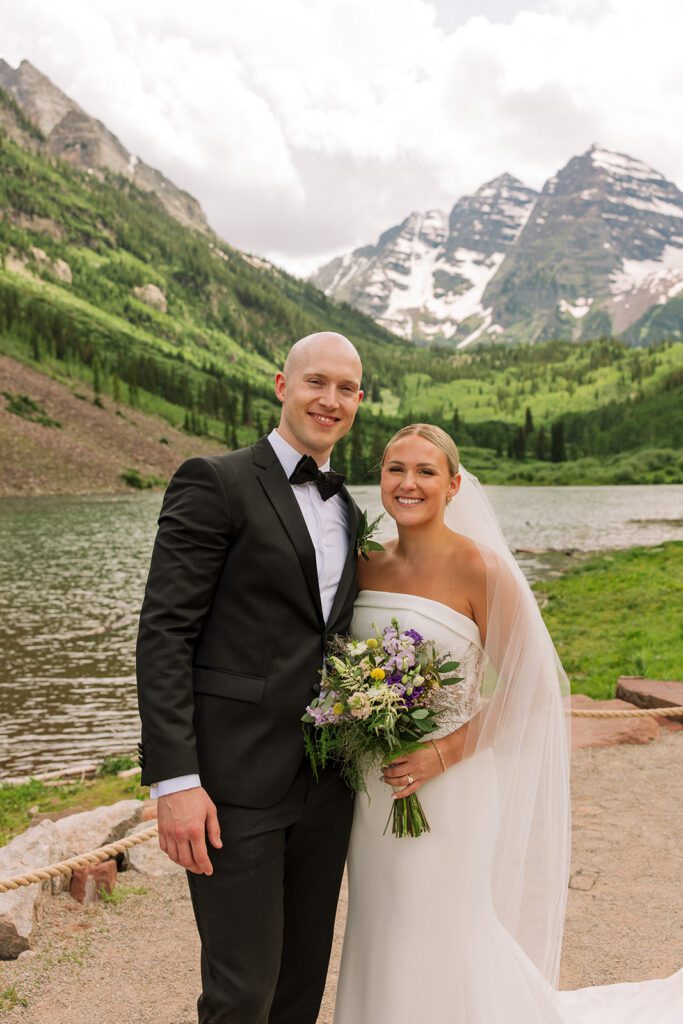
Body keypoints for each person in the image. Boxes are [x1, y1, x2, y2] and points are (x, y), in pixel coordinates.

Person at [334, 423, 683, 1024]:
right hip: (373, 783)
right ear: (380, 479)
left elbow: (531, 689)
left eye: (425, 472)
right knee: (379, 916)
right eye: (395, 469)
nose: (408, 483)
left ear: (454, 484)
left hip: (450, 786)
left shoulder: (482, 569)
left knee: (440, 919)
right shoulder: (363, 563)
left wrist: (442, 753)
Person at [136, 332, 364, 1024]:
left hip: (326, 785)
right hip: (233, 784)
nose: (329, 400)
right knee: (241, 994)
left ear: (359, 401)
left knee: (298, 989)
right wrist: (176, 781)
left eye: (346, 389)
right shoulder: (215, 480)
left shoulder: (348, 510)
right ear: (280, 386)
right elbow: (164, 631)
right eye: (315, 383)